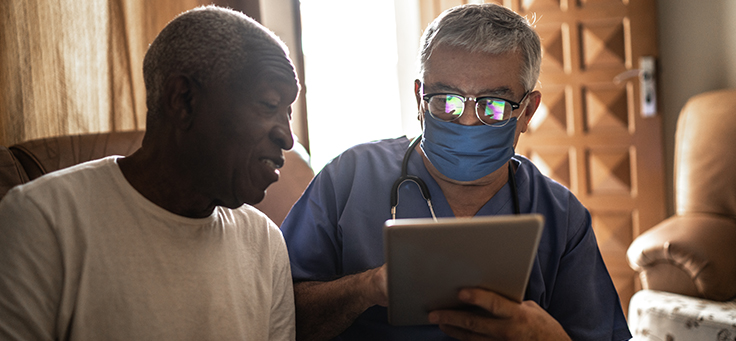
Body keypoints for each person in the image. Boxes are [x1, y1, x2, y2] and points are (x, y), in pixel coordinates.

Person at [280, 4, 632, 341]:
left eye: (492, 106)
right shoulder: (350, 178)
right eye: (446, 101)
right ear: (420, 99)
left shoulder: (560, 215)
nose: (465, 120)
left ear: (526, 112)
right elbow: (277, 318)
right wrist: (366, 288)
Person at [0, 6, 298, 340]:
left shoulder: (265, 243)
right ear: (182, 100)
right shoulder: (43, 220)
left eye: (288, 113)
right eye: (270, 105)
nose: (287, 137)